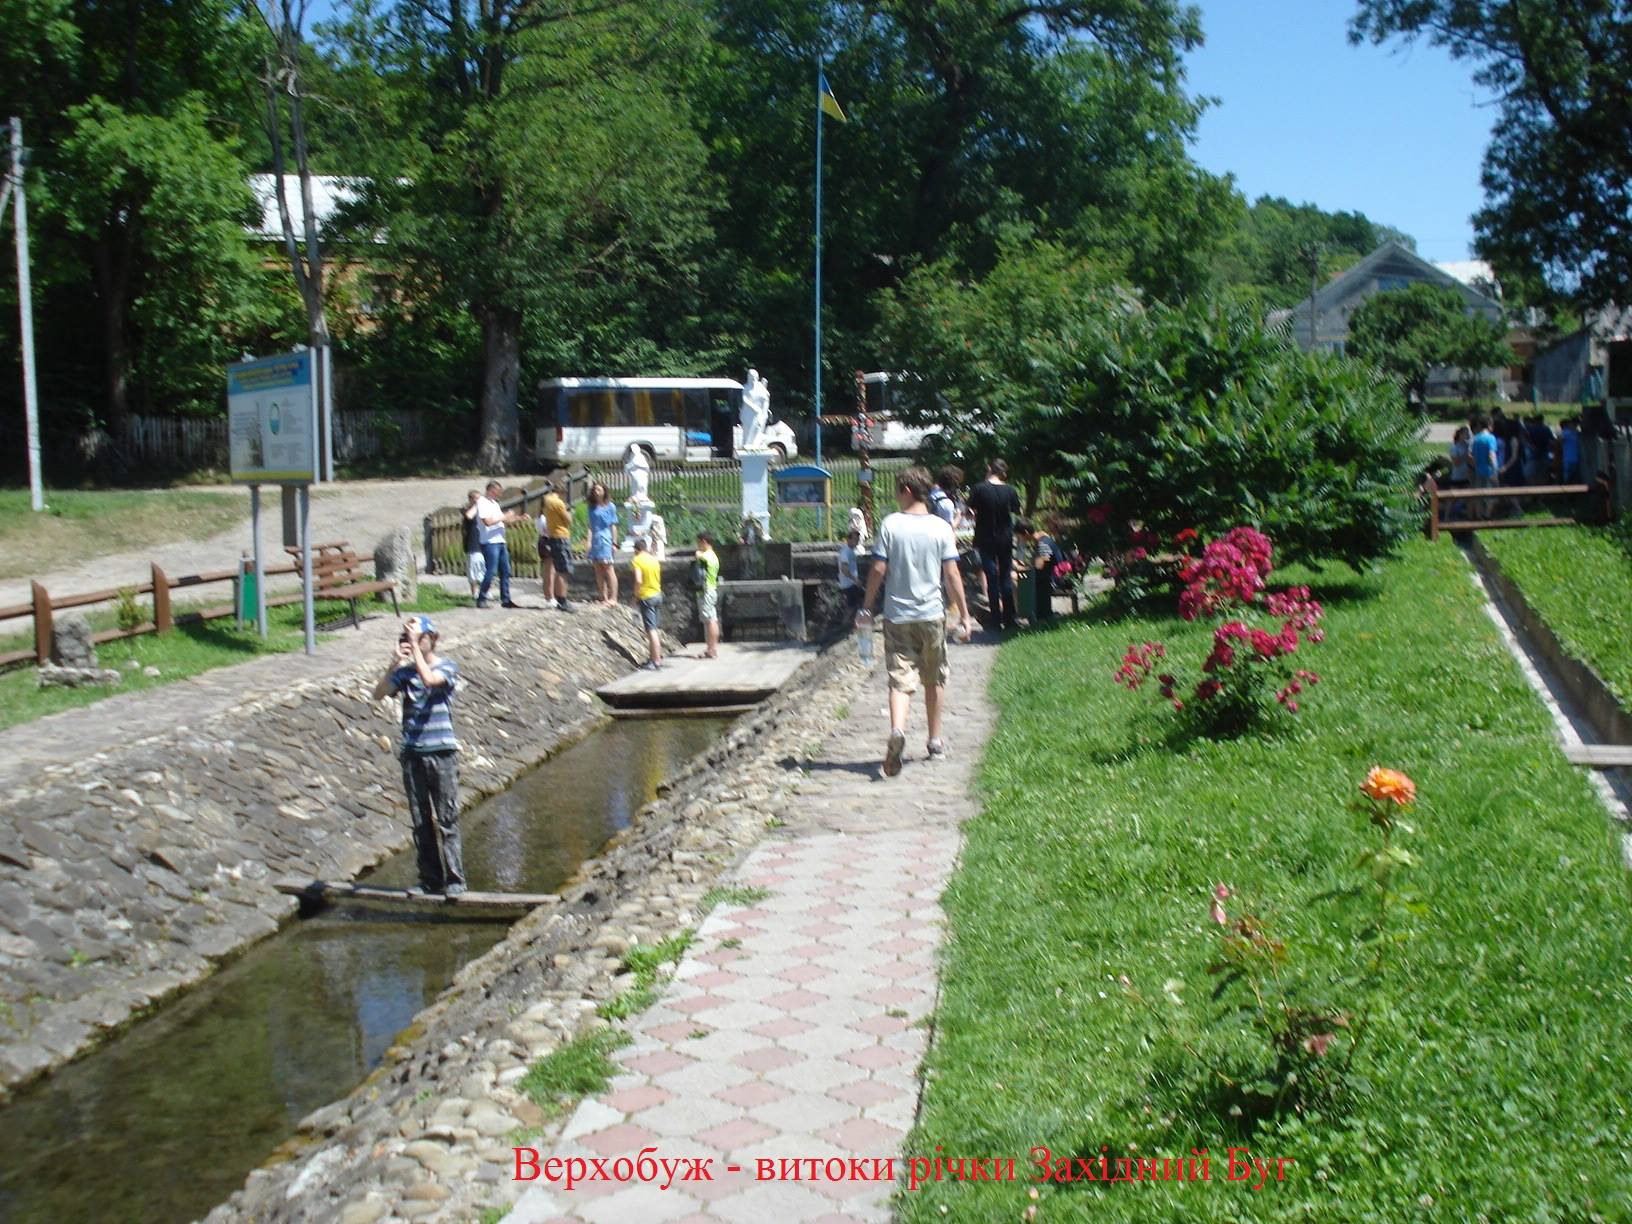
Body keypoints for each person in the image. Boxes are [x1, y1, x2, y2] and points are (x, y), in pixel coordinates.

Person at [856, 465, 974, 777]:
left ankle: (898, 730)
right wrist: (964, 615)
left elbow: (878, 569)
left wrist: (866, 607)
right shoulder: (941, 528)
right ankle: (934, 741)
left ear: (907, 491)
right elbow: (952, 574)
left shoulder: (891, 525)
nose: (896, 497)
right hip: (932, 614)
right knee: (934, 678)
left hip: (897, 616)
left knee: (900, 678)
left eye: (897, 492)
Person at [372, 616, 465, 897]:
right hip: (413, 753)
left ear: (432, 639)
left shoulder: (447, 667)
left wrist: (414, 649)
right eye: (407, 637)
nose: (411, 642)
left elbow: (430, 680)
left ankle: (455, 880)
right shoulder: (405, 673)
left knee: (447, 819)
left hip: (442, 752)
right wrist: (393, 664)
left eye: (417, 637)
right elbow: (379, 694)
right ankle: (430, 879)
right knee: (421, 821)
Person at [968, 458, 1021, 631]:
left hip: (985, 537)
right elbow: (1016, 510)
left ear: (989, 469)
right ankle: (1010, 618)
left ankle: (995, 619)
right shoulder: (1010, 490)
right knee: (1005, 576)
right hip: (1005, 537)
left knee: (991, 577)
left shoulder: (979, 488)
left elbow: (970, 510)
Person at [474, 479, 522, 608]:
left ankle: (505, 599)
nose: (499, 494)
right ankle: (481, 598)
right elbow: (488, 522)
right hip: (489, 542)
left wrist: (517, 518)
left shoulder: (494, 503)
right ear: (491, 490)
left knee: (505, 570)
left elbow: (502, 520)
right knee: (491, 570)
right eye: (498, 491)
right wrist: (505, 515)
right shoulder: (482, 503)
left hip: (500, 541)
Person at [537, 480, 574, 612]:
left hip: (552, 536)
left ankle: (556, 598)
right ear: (562, 492)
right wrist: (569, 512)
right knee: (563, 570)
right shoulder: (558, 503)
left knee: (556, 569)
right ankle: (562, 600)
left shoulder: (546, 501)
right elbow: (568, 520)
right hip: (561, 535)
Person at [1017, 518, 1060, 623]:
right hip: (1046, 576)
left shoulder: (1043, 543)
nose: (1019, 539)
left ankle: (1031, 615)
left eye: (1019, 536)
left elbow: (1039, 566)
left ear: (1026, 533)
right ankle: (1031, 615)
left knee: (1017, 580)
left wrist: (1020, 568)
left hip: (1052, 579)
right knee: (1017, 578)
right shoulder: (1042, 538)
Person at [631, 536, 664, 670]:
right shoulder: (653, 559)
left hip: (646, 597)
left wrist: (635, 595)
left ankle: (656, 661)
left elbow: (638, 580)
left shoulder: (637, 560)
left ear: (636, 550)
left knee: (651, 630)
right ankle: (653, 658)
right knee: (655, 628)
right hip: (658, 594)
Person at [586, 481, 620, 605]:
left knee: (608, 568)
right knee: (598, 569)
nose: (596, 492)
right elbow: (590, 526)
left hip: (606, 539)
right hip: (595, 539)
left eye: (599, 490)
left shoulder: (610, 507)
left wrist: (614, 543)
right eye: (595, 490)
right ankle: (602, 595)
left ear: (604, 491)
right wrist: (588, 542)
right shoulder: (591, 508)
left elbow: (613, 525)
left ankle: (613, 597)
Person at [694, 531, 721, 659]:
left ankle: (711, 649)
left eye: (698, 542)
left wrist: (698, 554)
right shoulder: (714, 556)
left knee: (709, 621)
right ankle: (712, 648)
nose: (697, 545)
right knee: (712, 619)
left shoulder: (706, 555)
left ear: (704, 542)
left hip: (706, 591)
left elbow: (698, 556)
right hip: (712, 589)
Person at [1469, 415, 1500, 521]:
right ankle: (1487, 515)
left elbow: (1472, 457)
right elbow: (1492, 455)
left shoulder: (1475, 439)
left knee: (1479, 494)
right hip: (1489, 471)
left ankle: (1479, 515)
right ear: (1489, 425)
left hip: (1478, 470)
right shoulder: (1491, 438)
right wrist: (1495, 471)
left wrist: (1476, 466)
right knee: (1493, 494)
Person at [461, 489, 485, 601]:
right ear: (470, 499)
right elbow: (469, 516)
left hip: (483, 543)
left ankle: (485, 591)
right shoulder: (468, 511)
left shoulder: (482, 512)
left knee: (483, 569)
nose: (478, 501)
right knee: (473, 570)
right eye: (476, 499)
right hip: (473, 544)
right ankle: (474, 592)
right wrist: (476, 505)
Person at [837, 528, 864, 613]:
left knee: (856, 605)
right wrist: (855, 580)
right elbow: (844, 569)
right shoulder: (845, 552)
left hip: (852, 584)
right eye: (855, 539)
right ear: (848, 539)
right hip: (848, 584)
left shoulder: (851, 551)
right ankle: (845, 622)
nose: (857, 542)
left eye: (857, 540)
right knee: (851, 607)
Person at [1561, 416, 1583, 483]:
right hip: (1568, 459)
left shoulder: (1577, 433)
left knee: (1574, 478)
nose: (1576, 425)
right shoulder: (1566, 432)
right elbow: (1561, 440)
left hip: (1575, 459)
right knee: (1568, 478)